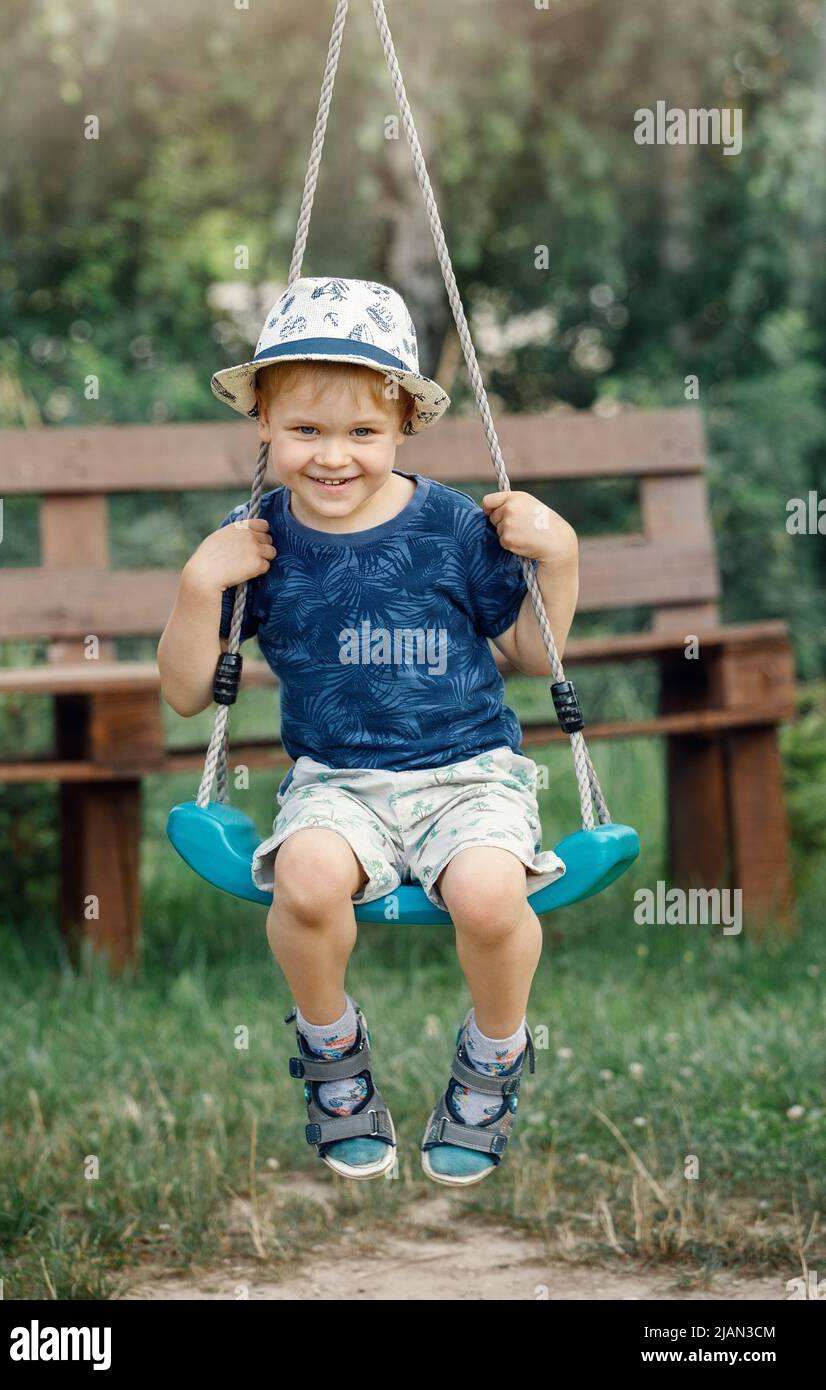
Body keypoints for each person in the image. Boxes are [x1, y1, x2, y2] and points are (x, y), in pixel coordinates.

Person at [157, 277, 579, 1188]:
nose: (334, 457)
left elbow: (530, 654)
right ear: (263, 421)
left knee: (489, 895)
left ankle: (495, 1056)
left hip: (470, 774)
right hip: (336, 781)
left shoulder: (456, 527)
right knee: (304, 879)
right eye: (306, 430)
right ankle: (334, 1056)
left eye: (362, 434)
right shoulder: (255, 538)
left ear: (404, 429)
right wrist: (200, 586)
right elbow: (188, 693)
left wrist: (563, 556)